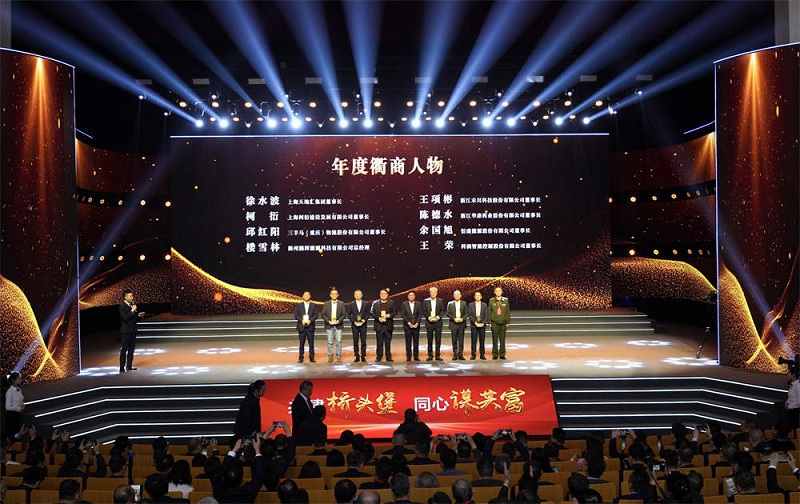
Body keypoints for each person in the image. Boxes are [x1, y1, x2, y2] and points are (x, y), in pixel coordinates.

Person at [119, 289, 144, 372]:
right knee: (124, 349)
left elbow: (133, 317)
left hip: (133, 330)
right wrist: (132, 310)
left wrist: (138, 315)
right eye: (130, 296)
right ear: (125, 297)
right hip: (126, 331)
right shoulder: (122, 306)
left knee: (131, 349)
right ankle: (121, 367)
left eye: (132, 296)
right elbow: (125, 318)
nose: (132, 297)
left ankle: (129, 366)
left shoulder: (132, 305)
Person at [370, 288, 397, 362]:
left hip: (388, 325)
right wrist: (378, 318)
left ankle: (388, 357)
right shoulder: (375, 303)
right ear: (379, 295)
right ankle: (379, 356)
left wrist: (389, 315)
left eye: (385, 294)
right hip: (379, 325)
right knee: (379, 342)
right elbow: (372, 312)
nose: (383, 295)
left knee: (388, 342)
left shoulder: (392, 302)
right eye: (382, 294)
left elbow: (395, 312)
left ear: (387, 295)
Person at [321, 288, 347, 363]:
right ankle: (330, 356)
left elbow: (344, 314)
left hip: (338, 325)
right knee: (330, 342)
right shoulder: (326, 303)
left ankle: (338, 356)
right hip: (329, 325)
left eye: (335, 294)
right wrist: (329, 321)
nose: (334, 295)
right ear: (330, 295)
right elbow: (323, 314)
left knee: (339, 341)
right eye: (332, 294)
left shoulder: (341, 303)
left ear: (338, 295)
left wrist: (338, 321)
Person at [294, 291, 318, 363]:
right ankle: (300, 357)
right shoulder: (299, 305)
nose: (306, 296)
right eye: (305, 295)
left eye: (308, 295)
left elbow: (316, 315)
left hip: (310, 326)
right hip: (302, 326)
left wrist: (310, 320)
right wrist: (301, 320)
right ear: (303, 296)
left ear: (310, 296)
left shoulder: (314, 305)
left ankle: (312, 357)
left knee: (311, 343)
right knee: (301, 343)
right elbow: (296, 315)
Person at [422, 287, 446, 361]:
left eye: (434, 292)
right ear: (430, 293)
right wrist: (428, 317)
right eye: (431, 292)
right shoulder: (426, 301)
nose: (433, 294)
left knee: (438, 340)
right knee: (429, 340)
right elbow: (424, 311)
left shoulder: (440, 301)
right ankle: (430, 355)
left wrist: (438, 317)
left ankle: (438, 355)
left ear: (436, 293)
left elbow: (443, 310)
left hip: (438, 322)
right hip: (429, 323)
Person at [348, 289, 371, 362]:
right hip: (355, 325)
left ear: (362, 295)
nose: (357, 295)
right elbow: (349, 315)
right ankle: (357, 356)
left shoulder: (366, 303)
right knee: (355, 341)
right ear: (354, 295)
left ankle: (363, 356)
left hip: (363, 325)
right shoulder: (351, 304)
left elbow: (368, 313)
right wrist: (354, 322)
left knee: (363, 341)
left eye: (359, 294)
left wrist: (364, 320)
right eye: (356, 294)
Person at [487, 287, 510, 360]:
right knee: (495, 339)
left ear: (502, 292)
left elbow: (507, 312)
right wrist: (489, 322)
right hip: (494, 322)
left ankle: (502, 354)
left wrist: (508, 321)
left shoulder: (505, 300)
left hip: (503, 322)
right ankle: (495, 354)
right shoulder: (491, 301)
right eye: (496, 291)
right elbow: (489, 312)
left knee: (502, 339)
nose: (498, 292)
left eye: (499, 291)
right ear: (494, 292)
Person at [446, 290, 468, 361]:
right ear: (453, 296)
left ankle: (460, 354)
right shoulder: (450, 303)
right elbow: (447, 313)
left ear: (461, 295)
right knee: (454, 340)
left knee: (461, 340)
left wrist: (462, 319)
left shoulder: (464, 303)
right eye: (455, 295)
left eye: (458, 294)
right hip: (453, 324)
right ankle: (455, 354)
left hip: (462, 323)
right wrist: (454, 319)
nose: (457, 296)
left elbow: (466, 313)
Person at [401, 291, 423, 362]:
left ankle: (416, 357)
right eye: (410, 295)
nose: (411, 296)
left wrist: (417, 323)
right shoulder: (404, 304)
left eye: (412, 295)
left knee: (416, 342)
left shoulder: (418, 304)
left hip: (416, 326)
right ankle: (408, 357)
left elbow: (420, 314)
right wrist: (408, 323)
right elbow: (403, 314)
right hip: (407, 326)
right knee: (408, 342)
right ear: (408, 296)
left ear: (414, 296)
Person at [467, 292, 488, 360]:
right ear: (474, 297)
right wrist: (475, 322)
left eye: (479, 295)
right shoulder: (471, 305)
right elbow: (470, 315)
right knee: (473, 341)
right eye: (476, 295)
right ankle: (473, 354)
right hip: (474, 325)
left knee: (482, 340)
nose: (478, 297)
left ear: (481, 297)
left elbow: (486, 315)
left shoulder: (484, 305)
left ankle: (482, 354)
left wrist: (483, 323)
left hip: (482, 325)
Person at [4, 371, 24, 437]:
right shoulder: (9, 392)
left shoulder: (19, 389)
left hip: (18, 414)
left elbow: (21, 399)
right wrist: (18, 409)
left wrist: (22, 405)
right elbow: (7, 407)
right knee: (13, 434)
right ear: (13, 380)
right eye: (18, 378)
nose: (20, 380)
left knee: (19, 432)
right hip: (12, 416)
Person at [786, 366, 800, 430]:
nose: (787, 374)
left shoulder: (798, 385)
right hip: (791, 411)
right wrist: (787, 402)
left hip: (796, 412)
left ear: (793, 374)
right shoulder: (792, 385)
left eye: (788, 372)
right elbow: (791, 397)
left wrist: (790, 406)